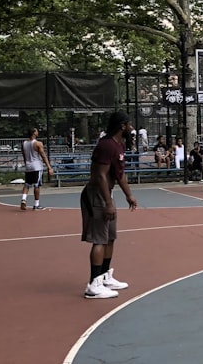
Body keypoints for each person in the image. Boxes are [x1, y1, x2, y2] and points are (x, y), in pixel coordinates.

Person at [81, 110, 138, 299]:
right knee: (100, 239)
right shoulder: (106, 146)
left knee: (110, 237)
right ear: (122, 126)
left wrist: (128, 195)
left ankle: (104, 276)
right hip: (97, 195)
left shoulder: (118, 145)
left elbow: (119, 174)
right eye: (129, 124)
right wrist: (107, 203)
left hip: (107, 194)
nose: (131, 128)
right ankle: (93, 285)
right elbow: (100, 175)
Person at [20, 127, 53, 211]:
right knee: (36, 185)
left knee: (27, 184)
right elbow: (43, 156)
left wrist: (26, 164)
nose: (38, 132)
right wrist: (49, 167)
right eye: (36, 131)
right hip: (37, 166)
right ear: (34, 133)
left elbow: (24, 156)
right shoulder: (38, 144)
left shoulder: (24, 144)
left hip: (28, 166)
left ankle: (23, 199)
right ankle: (36, 204)